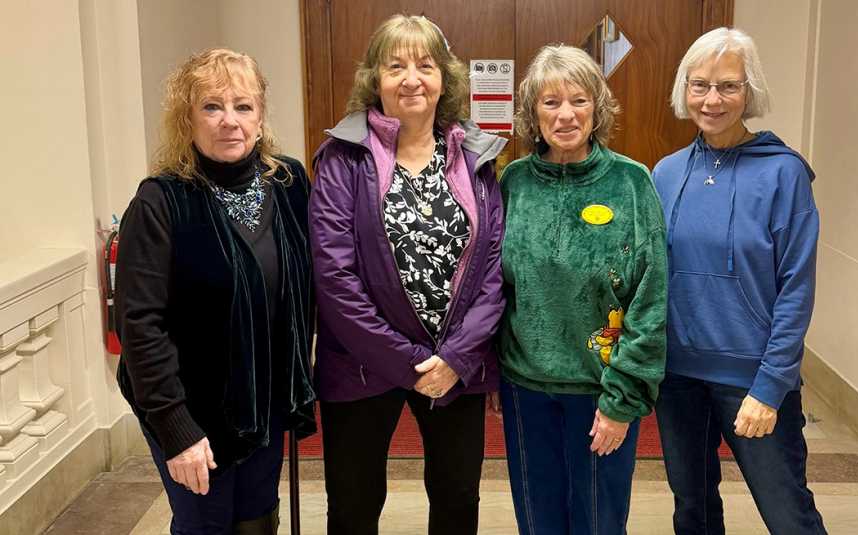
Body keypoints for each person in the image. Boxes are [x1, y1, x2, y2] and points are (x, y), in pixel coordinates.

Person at [309, 14, 507, 535]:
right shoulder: (343, 159)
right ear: (375, 79)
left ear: (445, 77)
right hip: (361, 364)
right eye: (395, 66)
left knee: (457, 498)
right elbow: (334, 277)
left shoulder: (476, 158)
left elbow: (492, 272)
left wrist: (456, 358)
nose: (411, 79)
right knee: (353, 505)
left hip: (455, 365)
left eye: (425, 65)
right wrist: (412, 363)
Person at [115, 48, 316, 534]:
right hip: (191, 407)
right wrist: (176, 429)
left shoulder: (289, 183)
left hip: (264, 401)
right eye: (211, 106)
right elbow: (139, 325)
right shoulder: (161, 200)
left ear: (260, 117)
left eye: (243, 106)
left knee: (257, 518)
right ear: (187, 118)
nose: (230, 121)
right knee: (206, 523)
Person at [652, 27, 826, 534]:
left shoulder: (783, 174)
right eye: (700, 85)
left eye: (728, 86)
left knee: (788, 512)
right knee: (693, 509)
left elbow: (796, 289)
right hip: (677, 376)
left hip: (753, 377)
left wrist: (771, 387)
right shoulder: (665, 173)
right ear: (685, 89)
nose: (713, 99)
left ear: (750, 92)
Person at [495, 44, 668, 535]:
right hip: (525, 388)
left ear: (597, 107)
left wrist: (623, 399)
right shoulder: (514, 182)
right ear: (533, 113)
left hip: (602, 390)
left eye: (579, 100)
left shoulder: (631, 183)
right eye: (550, 102)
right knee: (537, 520)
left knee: (598, 522)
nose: (565, 114)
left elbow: (651, 301)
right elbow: (497, 287)